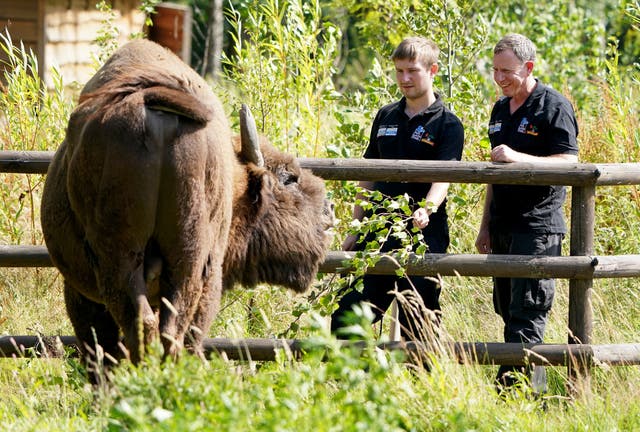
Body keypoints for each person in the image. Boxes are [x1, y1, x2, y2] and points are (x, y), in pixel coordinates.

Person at [331, 36, 464, 340]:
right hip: (377, 231)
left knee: (418, 321)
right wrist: (356, 226)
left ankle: (424, 384)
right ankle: (356, 382)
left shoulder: (448, 123)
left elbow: (444, 176)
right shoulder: (386, 115)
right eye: (399, 71)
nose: (404, 79)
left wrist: (427, 209)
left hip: (422, 234)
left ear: (433, 71)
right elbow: (368, 173)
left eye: (412, 71)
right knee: (348, 313)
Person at [475, 33, 579, 392]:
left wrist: (520, 158)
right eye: (495, 70)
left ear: (529, 67)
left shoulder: (553, 106)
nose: (499, 78)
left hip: (537, 227)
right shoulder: (500, 109)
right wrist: (485, 226)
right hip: (502, 224)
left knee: (529, 311)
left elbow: (570, 162)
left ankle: (517, 395)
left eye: (507, 71)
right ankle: (521, 390)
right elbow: (493, 174)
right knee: (506, 309)